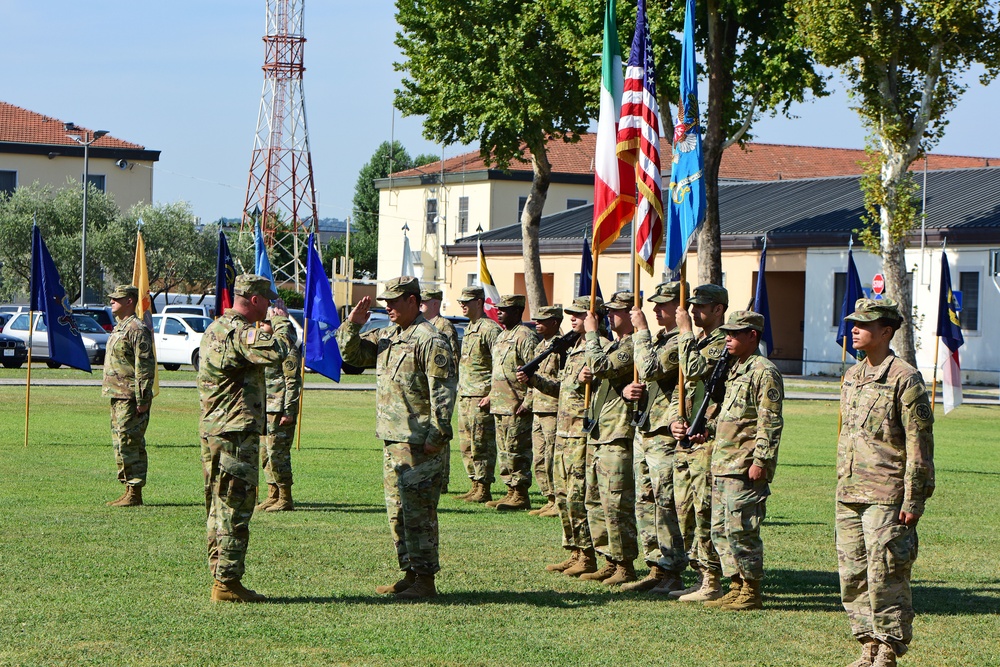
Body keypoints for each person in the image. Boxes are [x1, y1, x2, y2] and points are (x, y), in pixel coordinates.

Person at [336, 277, 457, 600]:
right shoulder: (387, 335)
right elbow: (352, 356)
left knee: (419, 513)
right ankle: (409, 572)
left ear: (414, 301)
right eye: (385, 301)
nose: (387, 306)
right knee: (398, 512)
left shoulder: (430, 339)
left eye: (394, 301)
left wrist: (438, 435)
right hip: (393, 439)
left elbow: (443, 393)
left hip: (419, 442)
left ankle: (426, 579)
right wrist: (352, 325)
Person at [836, 298, 934, 667]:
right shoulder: (852, 375)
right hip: (849, 491)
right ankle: (867, 644)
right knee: (853, 573)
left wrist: (914, 499)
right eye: (853, 324)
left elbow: (919, 444)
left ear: (886, 332)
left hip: (886, 493)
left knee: (886, 574)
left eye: (863, 325)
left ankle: (888, 648)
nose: (854, 330)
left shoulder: (904, 377)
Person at [199, 274, 293, 603]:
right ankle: (226, 582)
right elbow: (277, 352)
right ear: (253, 300)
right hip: (236, 432)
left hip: (215, 429)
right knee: (234, 508)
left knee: (217, 506)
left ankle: (222, 576)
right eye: (267, 300)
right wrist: (280, 324)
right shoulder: (241, 332)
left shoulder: (215, 328)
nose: (270, 306)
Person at [697, 310, 783, 611]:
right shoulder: (735, 368)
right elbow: (729, 416)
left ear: (753, 336)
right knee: (720, 529)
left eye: (735, 334)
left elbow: (769, 422)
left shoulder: (763, 371)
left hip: (744, 466)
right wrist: (704, 430)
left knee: (742, 529)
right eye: (727, 333)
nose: (728, 338)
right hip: (723, 463)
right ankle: (735, 584)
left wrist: (761, 460)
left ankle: (751, 589)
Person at [619, 281, 689, 593]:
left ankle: (673, 567)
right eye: (655, 304)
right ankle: (655, 565)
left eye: (665, 305)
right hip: (646, 427)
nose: (657, 310)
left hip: (664, 432)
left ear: (680, 307)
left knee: (665, 502)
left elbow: (649, 367)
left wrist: (641, 331)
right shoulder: (660, 340)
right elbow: (644, 380)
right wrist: (628, 391)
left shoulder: (679, 343)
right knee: (644, 501)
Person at [669, 283, 729, 601]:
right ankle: (699, 573)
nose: (693, 312)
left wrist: (684, 331)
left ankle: (712, 580)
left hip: (711, 441)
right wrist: (677, 421)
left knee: (705, 510)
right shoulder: (703, 341)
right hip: (691, 438)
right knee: (686, 511)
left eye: (701, 307)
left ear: (718, 309)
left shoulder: (721, 343)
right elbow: (689, 392)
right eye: (692, 306)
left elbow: (692, 370)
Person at [579, 291, 639, 586]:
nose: (609, 316)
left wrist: (591, 335)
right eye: (609, 311)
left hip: (618, 433)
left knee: (616, 503)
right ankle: (608, 559)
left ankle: (625, 563)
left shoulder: (630, 346)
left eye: (616, 311)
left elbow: (603, 366)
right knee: (595, 501)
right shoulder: (615, 344)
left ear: (631, 313)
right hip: (601, 431)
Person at [544, 296, 602, 577]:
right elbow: (563, 390)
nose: (572, 318)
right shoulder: (574, 348)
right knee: (564, 494)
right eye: (571, 314)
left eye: (579, 314)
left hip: (581, 432)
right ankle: (574, 551)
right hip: (564, 431)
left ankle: (587, 554)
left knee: (579, 495)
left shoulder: (596, 348)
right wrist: (534, 379)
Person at [483, 294, 539, 511]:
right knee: (505, 451)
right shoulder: (501, 336)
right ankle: (510, 491)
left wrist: (529, 401)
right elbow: (497, 371)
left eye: (504, 309)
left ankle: (521, 493)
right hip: (500, 404)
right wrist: (490, 395)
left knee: (517, 450)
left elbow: (536, 371)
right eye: (498, 309)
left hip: (517, 405)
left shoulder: (525, 337)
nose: (499, 312)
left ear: (517, 312)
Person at [102, 285, 156, 507]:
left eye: (118, 298)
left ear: (130, 301)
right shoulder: (120, 328)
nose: (112, 301)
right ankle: (128, 489)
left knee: (130, 442)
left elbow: (144, 367)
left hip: (131, 397)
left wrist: (142, 400)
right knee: (121, 443)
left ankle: (135, 491)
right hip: (118, 395)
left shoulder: (136, 328)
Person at [454, 287, 502, 503]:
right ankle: (474, 483)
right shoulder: (470, 328)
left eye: (467, 301)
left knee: (482, 443)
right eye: (460, 301)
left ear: (479, 302)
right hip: (465, 395)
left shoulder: (490, 329)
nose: (462, 305)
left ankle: (484, 486)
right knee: (467, 444)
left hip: (481, 395)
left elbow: (500, 364)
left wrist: (493, 393)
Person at [517, 305, 564, 517]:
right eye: (536, 320)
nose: (537, 323)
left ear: (555, 322)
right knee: (539, 458)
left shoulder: (562, 347)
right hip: (538, 408)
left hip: (553, 410)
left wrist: (534, 379)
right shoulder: (541, 346)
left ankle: (558, 500)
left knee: (552, 457)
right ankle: (549, 497)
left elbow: (562, 382)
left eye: (542, 320)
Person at [256, 325, 302, 512]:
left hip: (280, 410)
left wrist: (289, 411)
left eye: (266, 321)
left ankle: (285, 497)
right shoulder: (269, 346)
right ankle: (272, 494)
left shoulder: (287, 346)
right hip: (266, 408)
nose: (261, 325)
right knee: (265, 454)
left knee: (278, 454)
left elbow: (292, 382)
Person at [421, 288, 460, 493]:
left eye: (425, 302)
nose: (421, 305)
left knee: (439, 431)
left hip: (441, 387)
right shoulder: (424, 325)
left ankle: (441, 479)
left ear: (436, 304)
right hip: (425, 389)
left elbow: (450, 359)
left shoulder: (443, 326)